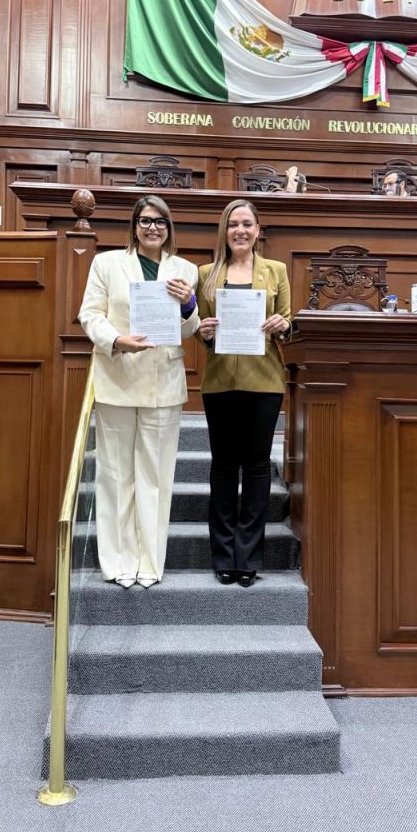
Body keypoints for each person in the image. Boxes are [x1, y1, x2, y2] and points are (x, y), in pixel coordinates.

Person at [78, 195, 199, 589]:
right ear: (134, 225)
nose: (152, 228)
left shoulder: (185, 269)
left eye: (160, 222)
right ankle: (117, 561)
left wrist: (188, 305)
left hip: (163, 384)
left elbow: (189, 330)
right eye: (146, 221)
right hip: (118, 378)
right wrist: (116, 339)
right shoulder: (107, 263)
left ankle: (150, 561)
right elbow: (90, 314)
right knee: (114, 474)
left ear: (169, 228)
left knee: (156, 476)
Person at [197, 199, 291, 588]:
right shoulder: (206, 273)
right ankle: (223, 556)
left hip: (264, 382)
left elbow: (290, 323)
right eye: (233, 224)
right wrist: (203, 333)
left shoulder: (277, 271)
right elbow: (204, 333)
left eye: (247, 224)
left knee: (255, 468)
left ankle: (247, 557)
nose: (240, 230)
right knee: (222, 467)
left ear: (257, 230)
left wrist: (281, 323)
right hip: (220, 383)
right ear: (224, 230)